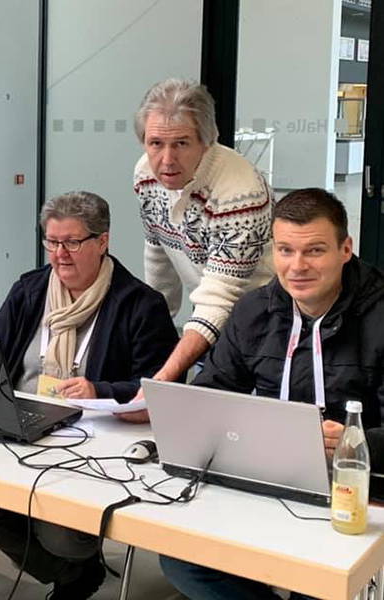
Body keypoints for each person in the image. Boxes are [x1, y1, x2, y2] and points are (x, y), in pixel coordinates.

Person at [0, 191, 179, 599]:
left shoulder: (141, 305)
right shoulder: (31, 290)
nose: (59, 254)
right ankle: (73, 575)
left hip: (91, 440)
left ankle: (69, 560)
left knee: (64, 536)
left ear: (102, 241)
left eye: (72, 242)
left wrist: (99, 390)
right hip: (20, 425)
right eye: (52, 242)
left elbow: (158, 387)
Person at [159, 188, 384, 599]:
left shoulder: (379, 316)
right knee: (182, 558)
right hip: (265, 477)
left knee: (318, 582)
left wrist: (356, 444)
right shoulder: (254, 311)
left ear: (345, 249)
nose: (297, 266)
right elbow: (210, 396)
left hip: (355, 489)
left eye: (314, 251)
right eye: (285, 250)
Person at [131, 79, 274, 412]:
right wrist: (153, 336)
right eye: (155, 143)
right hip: (210, 312)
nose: (166, 160)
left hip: (265, 321)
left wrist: (161, 379)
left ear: (207, 141)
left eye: (181, 143)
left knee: (236, 418)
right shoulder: (145, 174)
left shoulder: (240, 192)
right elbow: (158, 254)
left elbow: (219, 299)